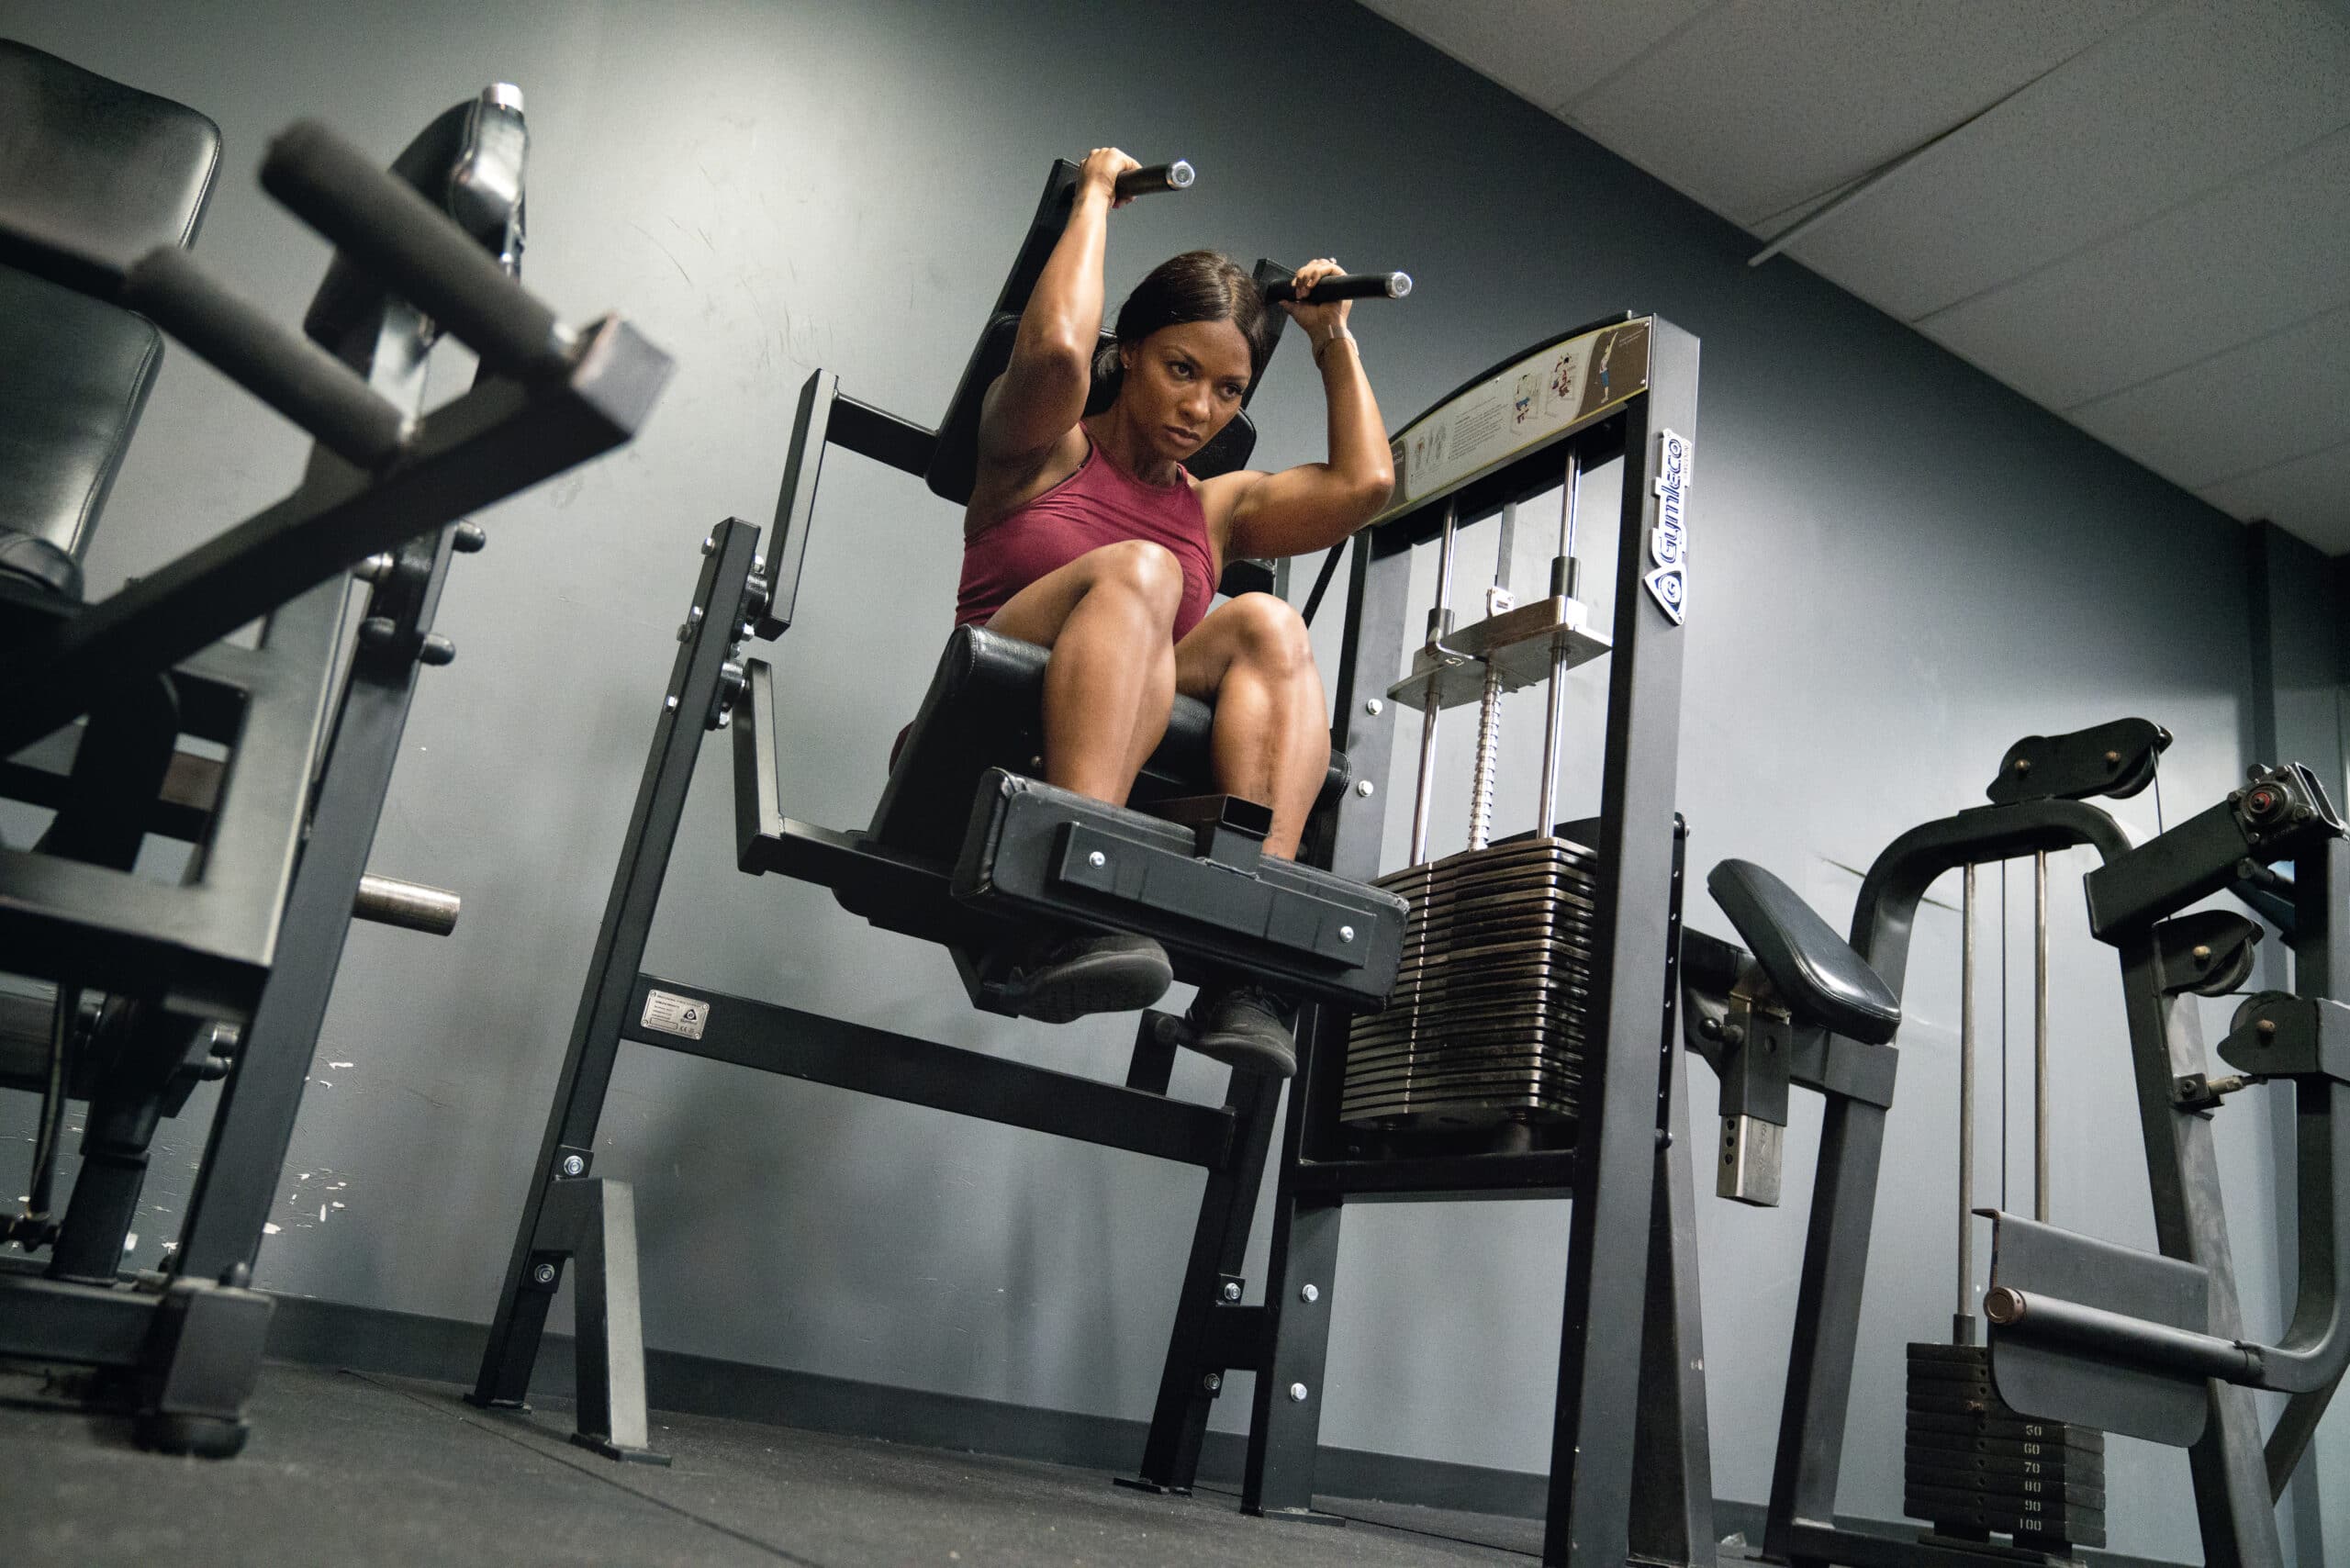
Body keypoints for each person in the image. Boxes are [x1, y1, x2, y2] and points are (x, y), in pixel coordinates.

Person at [956, 147, 1393, 1077]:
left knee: (1270, 624)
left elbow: (1365, 485)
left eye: (1227, 390)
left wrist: (1331, 341)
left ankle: (1249, 957)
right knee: (1146, 573)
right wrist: (1095, 197)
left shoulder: (1216, 508)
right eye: (1180, 369)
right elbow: (1056, 350)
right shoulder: (1041, 445)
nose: (1200, 408)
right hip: (984, 715)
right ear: (1131, 353)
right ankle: (1067, 905)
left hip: (1130, 713)